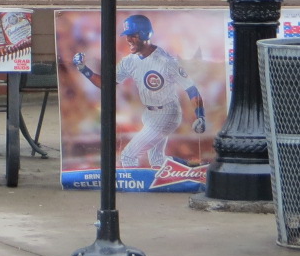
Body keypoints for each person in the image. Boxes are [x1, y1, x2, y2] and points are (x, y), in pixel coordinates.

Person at [69, 14, 206, 169]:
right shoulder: (129, 61)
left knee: (128, 157)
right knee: (158, 160)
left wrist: (200, 115)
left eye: (133, 36)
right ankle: (194, 167)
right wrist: (83, 69)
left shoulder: (165, 61)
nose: (128, 40)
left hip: (167, 112)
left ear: (144, 34)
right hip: (149, 114)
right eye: (127, 36)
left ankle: (132, 190)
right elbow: (106, 85)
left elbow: (191, 88)